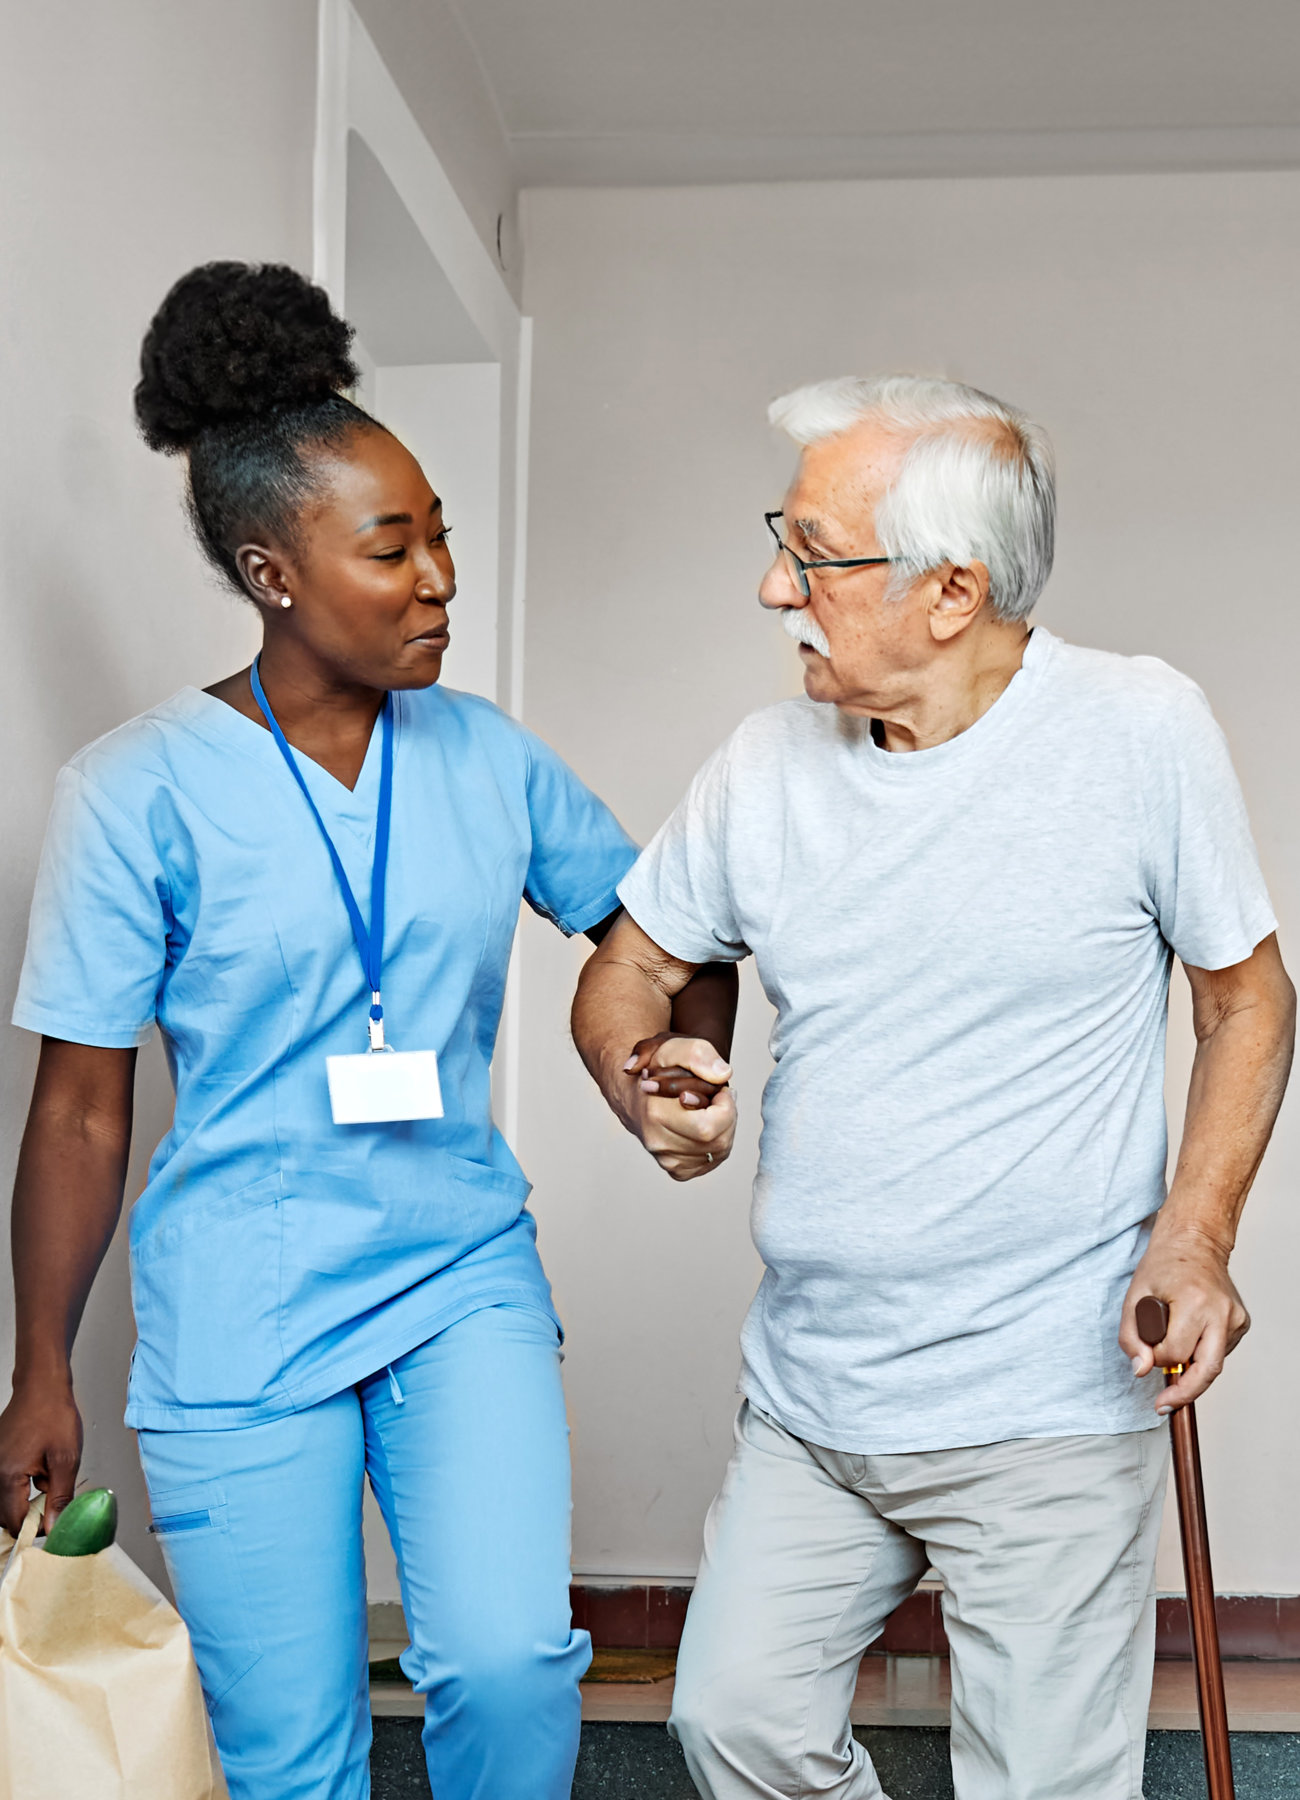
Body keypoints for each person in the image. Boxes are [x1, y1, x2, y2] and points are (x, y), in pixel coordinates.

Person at [0, 262, 735, 1800]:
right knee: (291, 1749)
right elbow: (79, 1110)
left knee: (513, 1660)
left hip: (455, 1266)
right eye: (391, 549)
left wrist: (675, 1053)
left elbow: (664, 933)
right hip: (237, 1306)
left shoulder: (484, 756)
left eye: (442, 535)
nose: (439, 580)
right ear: (274, 572)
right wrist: (42, 1371)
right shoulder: (133, 793)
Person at [571, 374, 1295, 1800]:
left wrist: (1195, 1236)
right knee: (734, 1724)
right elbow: (627, 972)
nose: (772, 584)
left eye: (813, 554)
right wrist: (637, 1070)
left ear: (952, 590)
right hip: (813, 1398)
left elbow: (1246, 996)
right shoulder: (767, 762)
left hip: (1046, 1395)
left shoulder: (1138, 732)